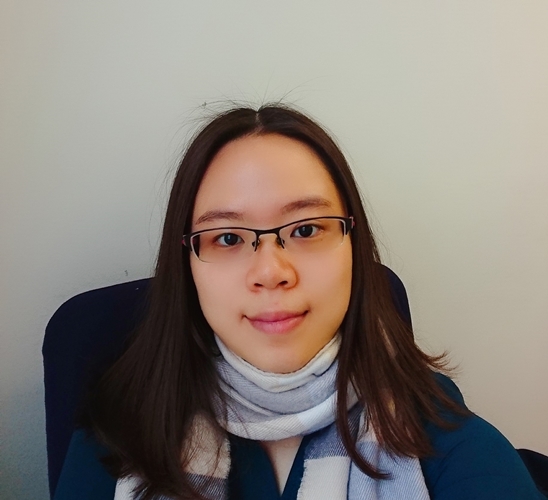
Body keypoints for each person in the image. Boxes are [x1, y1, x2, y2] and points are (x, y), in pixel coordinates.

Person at [55, 105, 544, 499]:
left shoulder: (434, 427)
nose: (271, 271)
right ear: (187, 266)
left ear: (354, 246)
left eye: (307, 229)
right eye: (228, 238)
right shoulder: (115, 437)